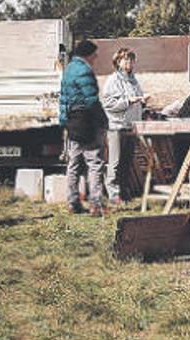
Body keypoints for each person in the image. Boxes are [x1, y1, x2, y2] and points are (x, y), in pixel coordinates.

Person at [59, 40, 109, 216]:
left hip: (72, 121)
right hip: (87, 121)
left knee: (73, 164)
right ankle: (96, 205)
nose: (95, 57)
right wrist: (103, 120)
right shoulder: (85, 70)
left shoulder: (68, 70)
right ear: (87, 54)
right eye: (94, 54)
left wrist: (64, 122)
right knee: (94, 163)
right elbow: (91, 101)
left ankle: (72, 203)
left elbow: (63, 100)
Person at [100, 48, 147, 206]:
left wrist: (143, 102)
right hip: (116, 126)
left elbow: (138, 98)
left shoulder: (134, 80)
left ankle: (124, 194)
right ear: (118, 62)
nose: (129, 63)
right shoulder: (113, 80)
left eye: (132, 60)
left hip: (131, 126)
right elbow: (108, 103)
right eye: (126, 60)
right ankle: (113, 196)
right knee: (116, 162)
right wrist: (129, 102)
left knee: (127, 162)